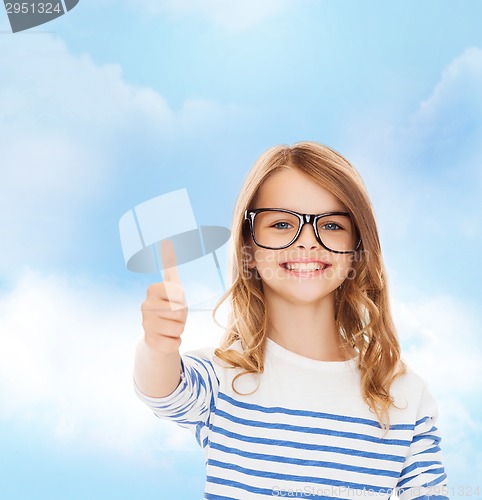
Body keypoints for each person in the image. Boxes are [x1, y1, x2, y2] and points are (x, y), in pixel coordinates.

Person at [133, 142, 449, 499]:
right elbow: (163, 391)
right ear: (247, 249)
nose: (308, 242)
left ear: (358, 252)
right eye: (282, 223)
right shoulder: (222, 379)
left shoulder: (404, 395)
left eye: (331, 225)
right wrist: (157, 346)